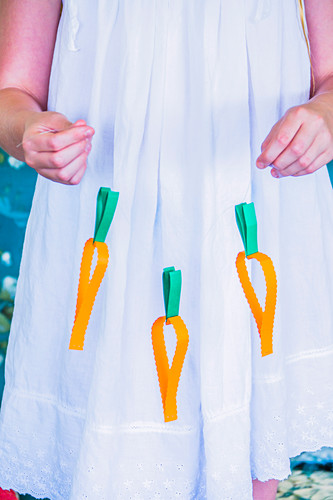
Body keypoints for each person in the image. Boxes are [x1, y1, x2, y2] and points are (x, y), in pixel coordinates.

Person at [0, 1, 333, 499]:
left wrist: (325, 115)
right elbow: (12, 93)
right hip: (106, 217)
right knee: (106, 448)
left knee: (245, 446)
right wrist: (27, 132)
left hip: (251, 201)